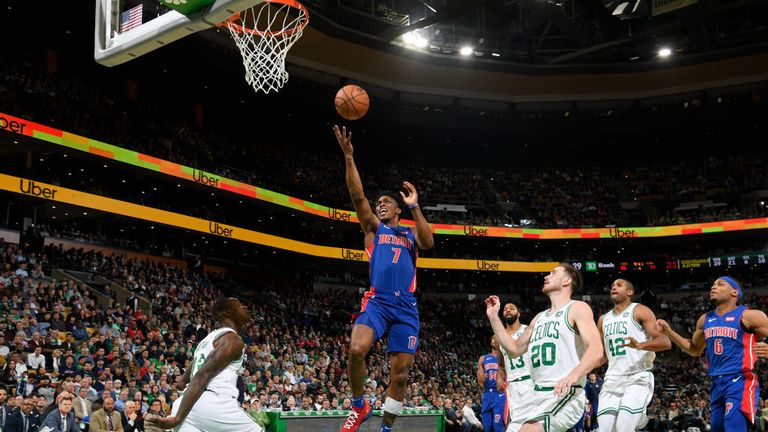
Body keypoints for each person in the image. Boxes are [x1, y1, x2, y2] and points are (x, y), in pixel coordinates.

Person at [333, 125, 434, 432]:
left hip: (406, 305)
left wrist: (415, 206)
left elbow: (429, 242)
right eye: (379, 204)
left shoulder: (410, 232)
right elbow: (356, 194)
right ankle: (359, 404)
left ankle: (387, 428)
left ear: (398, 209)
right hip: (378, 300)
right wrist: (349, 157)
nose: (380, 204)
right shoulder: (374, 230)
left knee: (400, 374)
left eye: (386, 202)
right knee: (355, 349)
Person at [485, 263, 603, 432]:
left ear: (567, 281)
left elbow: (596, 349)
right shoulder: (539, 318)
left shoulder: (577, 308)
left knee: (529, 429)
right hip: (535, 394)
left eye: (553, 273)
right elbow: (514, 349)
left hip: (563, 393)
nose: (546, 276)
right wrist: (493, 317)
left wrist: (572, 376)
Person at [658, 276, 768, 432]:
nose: (714, 287)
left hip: (740, 380)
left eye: (720, 284)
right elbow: (694, 350)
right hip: (717, 383)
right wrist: (669, 332)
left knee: (733, 426)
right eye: (713, 284)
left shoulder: (750, 316)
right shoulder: (705, 319)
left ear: (734, 292)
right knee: (717, 428)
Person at [144, 297, 262, 432]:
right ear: (228, 312)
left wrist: (183, 411)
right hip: (214, 403)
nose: (245, 307)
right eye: (240, 304)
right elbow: (203, 374)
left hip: (187, 403)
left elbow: (182, 383)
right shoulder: (232, 339)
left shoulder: (207, 340)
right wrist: (177, 418)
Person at [596, 278, 671, 432]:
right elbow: (602, 355)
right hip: (612, 379)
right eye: (612, 286)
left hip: (637, 377)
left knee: (624, 427)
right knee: (605, 429)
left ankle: (638, 416)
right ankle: (640, 418)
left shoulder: (639, 310)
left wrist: (639, 345)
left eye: (619, 285)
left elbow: (665, 341)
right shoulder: (603, 320)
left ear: (629, 292)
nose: (614, 288)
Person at [499, 302, 534, 432]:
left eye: (511, 308)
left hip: (531, 381)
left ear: (518, 313)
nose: (508, 310)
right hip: (512, 386)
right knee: (515, 424)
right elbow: (501, 364)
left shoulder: (528, 330)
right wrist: (498, 376)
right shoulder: (499, 337)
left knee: (533, 423)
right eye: (505, 309)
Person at [478, 336, 506, 432]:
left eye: (498, 338)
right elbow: (480, 381)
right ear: (491, 341)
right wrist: (480, 377)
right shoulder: (483, 358)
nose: (495, 340)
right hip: (487, 394)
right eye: (493, 338)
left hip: (499, 393)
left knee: (498, 425)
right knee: (486, 426)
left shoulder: (505, 357)